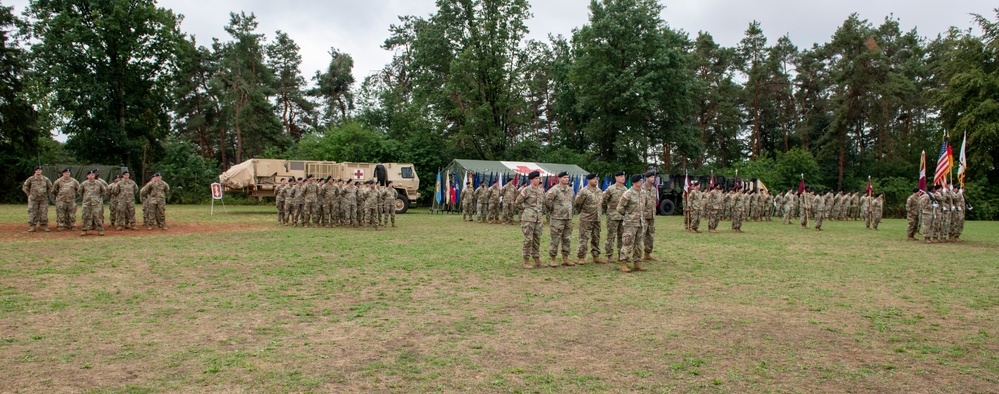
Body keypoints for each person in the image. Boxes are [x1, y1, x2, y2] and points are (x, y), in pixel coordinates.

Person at [616, 174, 647, 272]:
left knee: (638, 244)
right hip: (630, 223)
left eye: (642, 180)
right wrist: (628, 216)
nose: (641, 182)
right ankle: (623, 264)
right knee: (627, 243)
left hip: (640, 222)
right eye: (639, 181)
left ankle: (636, 263)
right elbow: (620, 208)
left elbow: (644, 206)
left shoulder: (643, 193)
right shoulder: (628, 193)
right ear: (634, 182)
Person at [574, 174, 604, 265]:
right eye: (593, 179)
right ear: (588, 180)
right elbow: (577, 203)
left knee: (596, 237)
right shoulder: (584, 191)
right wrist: (583, 212)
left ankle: (596, 256)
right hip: (586, 218)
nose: (595, 180)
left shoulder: (599, 191)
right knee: (583, 238)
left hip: (597, 218)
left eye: (596, 179)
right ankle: (581, 257)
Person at [546, 172, 574, 267]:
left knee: (567, 238)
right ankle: (553, 258)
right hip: (557, 218)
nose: (566, 179)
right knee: (555, 239)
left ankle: (565, 258)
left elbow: (572, 202)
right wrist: (554, 211)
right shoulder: (554, 190)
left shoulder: (570, 190)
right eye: (564, 177)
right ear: (559, 179)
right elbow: (547, 202)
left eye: (567, 177)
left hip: (568, 218)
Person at [518, 171, 545, 269]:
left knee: (537, 239)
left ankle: (537, 259)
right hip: (528, 219)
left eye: (538, 179)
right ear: (531, 180)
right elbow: (517, 202)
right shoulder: (526, 190)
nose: (537, 180)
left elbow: (543, 203)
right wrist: (526, 210)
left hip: (538, 219)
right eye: (535, 179)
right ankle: (526, 260)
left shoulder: (541, 190)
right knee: (528, 239)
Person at [602, 171, 628, 262]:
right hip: (612, 217)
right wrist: (608, 211)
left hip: (622, 217)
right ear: (616, 178)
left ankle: (621, 255)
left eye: (623, 176)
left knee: (622, 237)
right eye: (621, 176)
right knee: (611, 236)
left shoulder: (625, 189)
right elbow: (603, 201)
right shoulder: (611, 189)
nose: (623, 178)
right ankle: (609, 255)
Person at [22, 165, 53, 232]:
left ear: (41, 171)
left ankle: (44, 225)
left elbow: (51, 187)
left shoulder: (45, 179)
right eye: (37, 170)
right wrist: (29, 195)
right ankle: (32, 226)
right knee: (32, 212)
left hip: (43, 199)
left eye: (40, 170)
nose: (38, 171)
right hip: (33, 199)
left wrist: (46, 194)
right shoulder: (31, 179)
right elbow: (25, 187)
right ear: (35, 171)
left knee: (43, 212)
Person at [77, 169, 108, 236]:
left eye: (92, 175)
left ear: (94, 176)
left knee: (98, 216)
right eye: (89, 175)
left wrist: (99, 197)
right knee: (85, 216)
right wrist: (85, 197)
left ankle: (100, 230)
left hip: (96, 203)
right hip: (87, 203)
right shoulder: (84, 183)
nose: (91, 176)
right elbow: (80, 192)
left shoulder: (99, 183)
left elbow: (104, 191)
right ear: (87, 176)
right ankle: (84, 230)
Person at [640, 171, 658, 262]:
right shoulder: (641, 188)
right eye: (651, 177)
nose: (653, 179)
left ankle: (647, 254)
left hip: (651, 215)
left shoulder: (654, 189)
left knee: (650, 236)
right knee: (640, 235)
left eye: (653, 177)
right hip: (643, 216)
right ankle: (637, 255)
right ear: (646, 178)